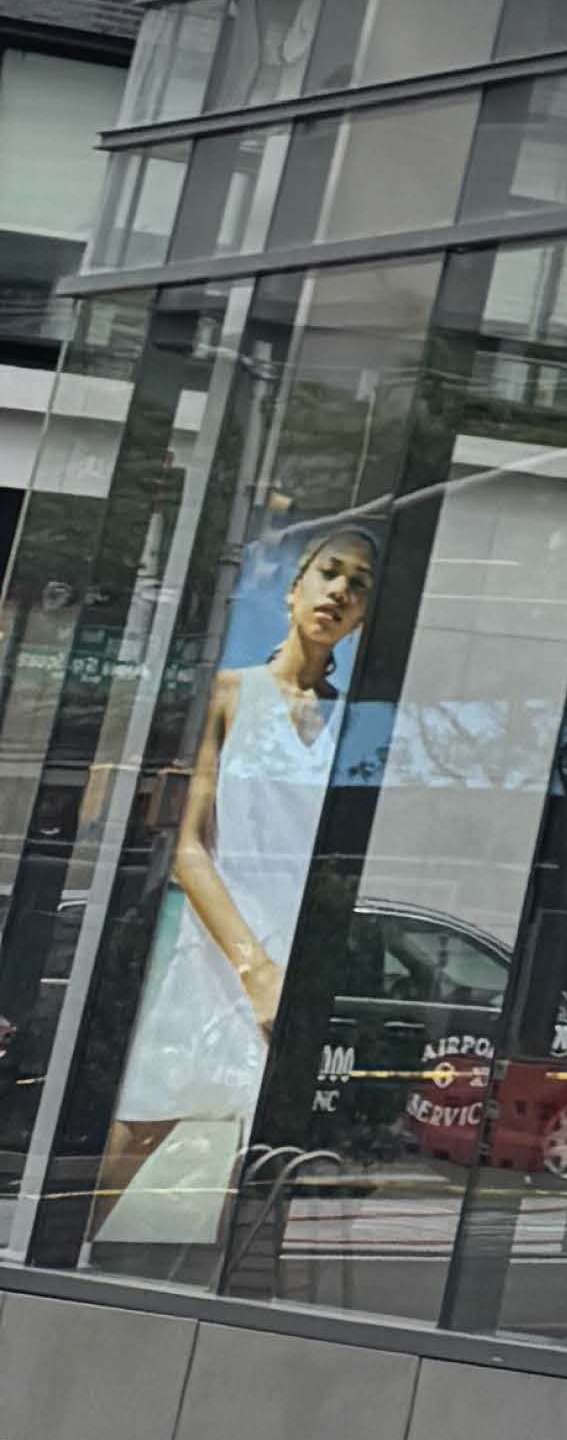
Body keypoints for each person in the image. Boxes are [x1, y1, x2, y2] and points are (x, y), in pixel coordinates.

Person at [95, 533, 375, 1250]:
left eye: (358, 584)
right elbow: (188, 846)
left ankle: (209, 1303)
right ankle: (62, 1259)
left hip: (294, 952)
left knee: (260, 1153)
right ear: (295, 588)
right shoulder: (230, 692)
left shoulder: (353, 724)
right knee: (146, 1119)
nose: (340, 590)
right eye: (328, 573)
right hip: (220, 946)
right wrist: (253, 967)